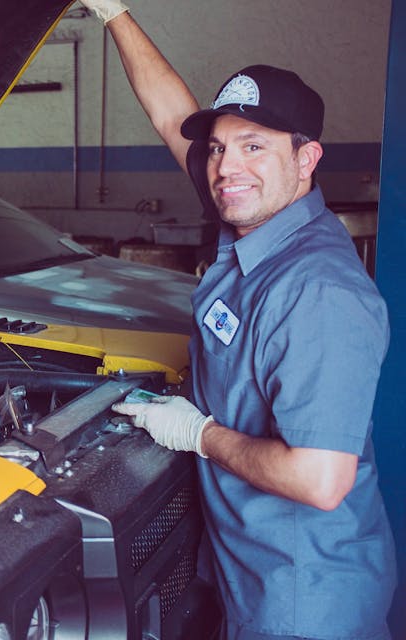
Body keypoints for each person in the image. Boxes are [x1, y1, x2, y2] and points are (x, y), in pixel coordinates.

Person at [79, 2, 397, 639]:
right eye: (221, 146)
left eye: (254, 146)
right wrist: (114, 14)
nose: (227, 168)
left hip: (304, 601)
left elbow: (320, 478)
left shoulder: (318, 291)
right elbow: (174, 119)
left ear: (307, 159)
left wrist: (198, 433)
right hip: (250, 579)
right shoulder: (255, 222)